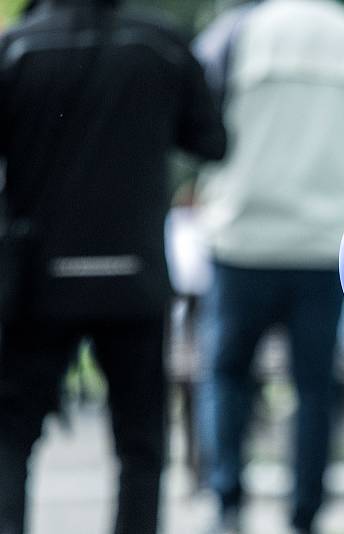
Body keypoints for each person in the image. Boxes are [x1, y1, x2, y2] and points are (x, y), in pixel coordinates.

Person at [0, 0, 226, 533]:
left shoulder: (18, 47)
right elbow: (211, 140)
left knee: (10, 435)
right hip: (135, 276)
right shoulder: (161, 44)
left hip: (37, 278)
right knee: (141, 444)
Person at [191, 1, 344, 533]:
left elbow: (195, 120)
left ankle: (228, 503)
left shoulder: (235, 32)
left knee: (226, 373)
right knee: (315, 383)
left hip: (244, 235)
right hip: (328, 242)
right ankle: (305, 514)